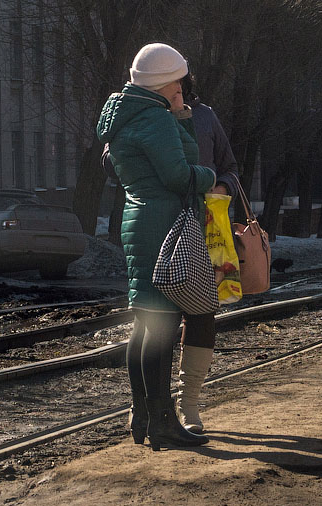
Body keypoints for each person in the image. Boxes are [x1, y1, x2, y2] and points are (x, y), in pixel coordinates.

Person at [97, 43, 217, 451]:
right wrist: (208, 175)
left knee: (145, 326)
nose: (183, 88)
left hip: (137, 221)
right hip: (165, 225)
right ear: (169, 82)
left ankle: (144, 413)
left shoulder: (124, 116)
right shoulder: (157, 120)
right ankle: (164, 421)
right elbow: (179, 175)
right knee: (163, 326)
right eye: (180, 82)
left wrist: (178, 116)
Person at [175, 72, 239, 433]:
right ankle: (151, 404)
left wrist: (221, 185)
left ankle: (190, 406)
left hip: (209, 229)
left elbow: (231, 168)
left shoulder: (205, 116)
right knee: (157, 319)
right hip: (164, 229)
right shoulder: (143, 116)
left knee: (202, 316)